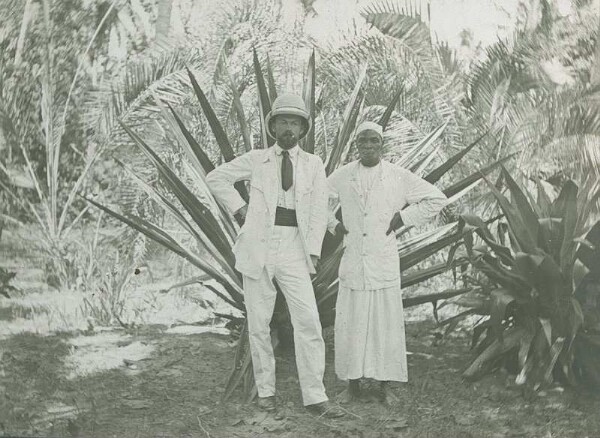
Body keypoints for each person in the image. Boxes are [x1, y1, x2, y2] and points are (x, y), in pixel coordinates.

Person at [206, 93, 344, 418]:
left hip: (294, 247)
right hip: (259, 245)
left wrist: (315, 249)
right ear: (273, 126)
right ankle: (265, 391)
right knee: (258, 322)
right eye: (283, 121)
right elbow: (216, 178)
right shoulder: (256, 159)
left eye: (294, 122)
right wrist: (240, 209)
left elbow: (320, 210)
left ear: (302, 128)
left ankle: (315, 396)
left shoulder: (313, 165)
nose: (288, 128)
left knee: (308, 320)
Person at [327, 121, 448, 403]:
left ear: (382, 145)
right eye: (363, 141)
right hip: (355, 259)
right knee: (352, 323)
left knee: (384, 324)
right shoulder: (343, 175)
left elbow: (436, 199)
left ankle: (385, 386)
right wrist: (333, 224)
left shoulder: (398, 176)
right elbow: (316, 197)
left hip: (382, 260)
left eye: (374, 141)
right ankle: (352, 384)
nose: (368, 146)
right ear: (356, 144)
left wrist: (404, 218)